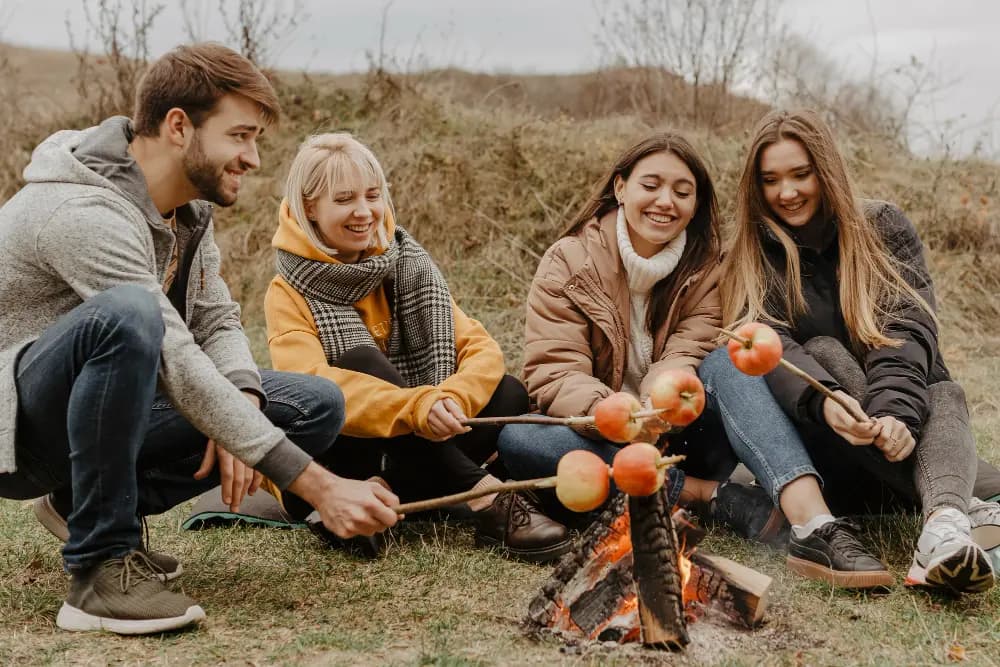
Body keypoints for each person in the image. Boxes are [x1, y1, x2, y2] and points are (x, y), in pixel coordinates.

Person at [0, 44, 400, 635]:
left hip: (93, 410)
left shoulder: (184, 212)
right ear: (179, 126)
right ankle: (98, 572)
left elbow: (215, 321)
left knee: (313, 405)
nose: (253, 158)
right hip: (17, 428)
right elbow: (176, 355)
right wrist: (318, 485)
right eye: (240, 136)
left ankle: (82, 507)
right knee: (130, 313)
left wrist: (245, 401)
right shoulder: (81, 211)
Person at [709, 108, 1000, 593]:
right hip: (830, 448)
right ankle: (962, 505)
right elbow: (768, 348)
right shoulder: (750, 255)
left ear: (826, 170)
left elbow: (906, 328)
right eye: (771, 180)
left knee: (944, 391)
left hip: (904, 432)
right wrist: (825, 401)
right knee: (823, 350)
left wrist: (895, 415)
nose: (787, 192)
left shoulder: (882, 227)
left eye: (801, 174)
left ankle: (944, 526)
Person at [264, 133, 572, 563]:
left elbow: (479, 348)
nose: (364, 211)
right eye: (345, 199)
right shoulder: (287, 290)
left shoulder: (406, 262)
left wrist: (448, 399)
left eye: (373, 195)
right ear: (310, 207)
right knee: (360, 361)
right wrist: (414, 406)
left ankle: (380, 495)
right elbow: (312, 387)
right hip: (334, 458)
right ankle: (486, 496)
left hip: (401, 452)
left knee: (508, 393)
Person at [496, 132, 798, 533]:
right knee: (520, 437)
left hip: (680, 434)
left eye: (682, 192)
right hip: (600, 434)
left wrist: (657, 409)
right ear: (621, 188)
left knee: (727, 364)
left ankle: (788, 503)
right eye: (651, 185)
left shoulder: (710, 269)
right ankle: (702, 494)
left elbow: (689, 350)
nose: (665, 202)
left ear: (696, 204)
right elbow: (556, 371)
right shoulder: (568, 261)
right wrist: (616, 415)